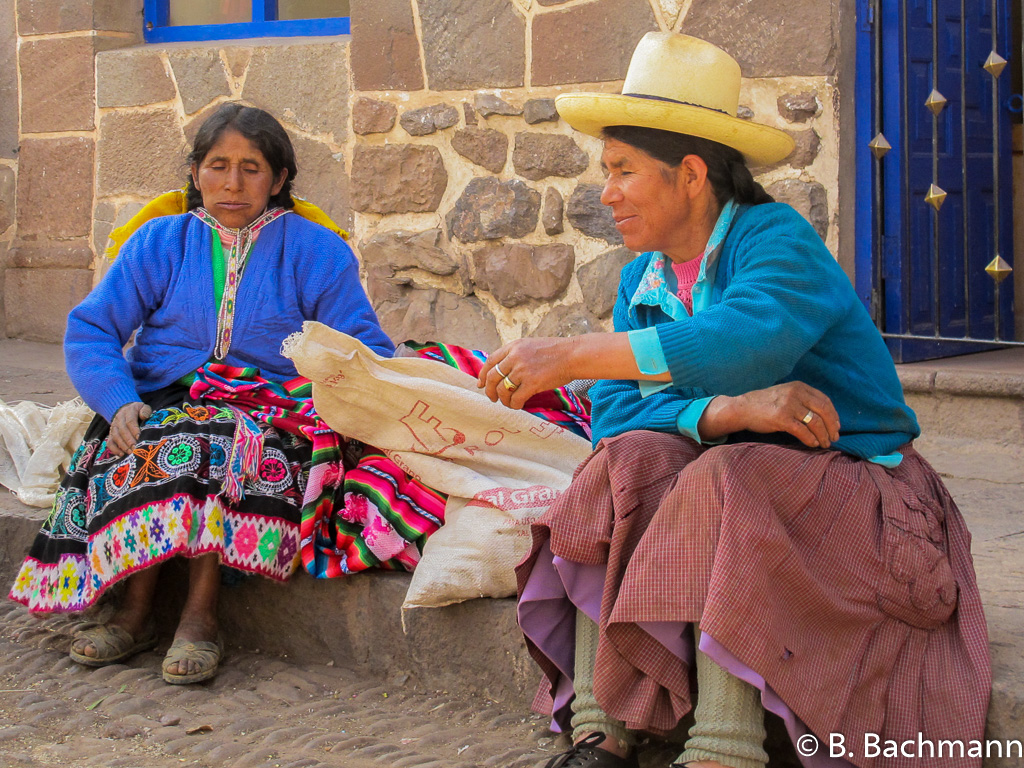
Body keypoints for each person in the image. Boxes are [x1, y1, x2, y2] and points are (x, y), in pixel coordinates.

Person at [478, 33, 990, 768]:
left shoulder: (775, 240)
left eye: (623, 171)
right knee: (618, 463)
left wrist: (569, 355)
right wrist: (725, 414)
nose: (607, 192)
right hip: (750, 482)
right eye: (606, 172)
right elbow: (617, 412)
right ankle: (600, 728)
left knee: (725, 476)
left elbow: (739, 342)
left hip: (862, 491)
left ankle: (724, 748)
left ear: (689, 174)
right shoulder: (642, 281)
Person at [9, 103, 398, 684]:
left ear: (280, 179)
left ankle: (197, 616)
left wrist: (324, 394)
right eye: (218, 165)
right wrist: (117, 401)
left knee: (212, 441)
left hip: (267, 413)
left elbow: (364, 345)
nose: (233, 183)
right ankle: (137, 611)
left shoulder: (317, 251)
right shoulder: (159, 242)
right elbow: (93, 328)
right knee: (167, 435)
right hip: (157, 401)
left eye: (251, 167)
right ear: (195, 173)